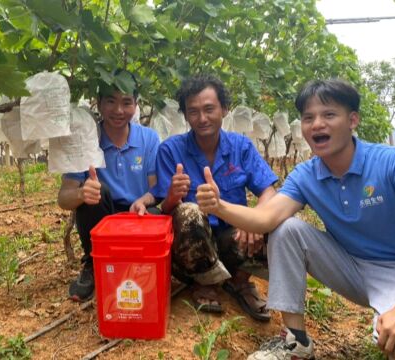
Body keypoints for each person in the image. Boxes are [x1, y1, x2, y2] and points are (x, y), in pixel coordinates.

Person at [196, 79, 395, 359]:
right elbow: (266, 219)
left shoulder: (393, 162)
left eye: (329, 115)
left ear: (352, 120)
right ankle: (296, 342)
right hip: (350, 266)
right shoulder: (306, 175)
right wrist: (219, 206)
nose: (317, 124)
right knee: (287, 229)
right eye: (308, 118)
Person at [150, 74, 278, 321]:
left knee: (278, 219)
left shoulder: (241, 147)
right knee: (189, 212)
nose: (202, 118)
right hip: (190, 253)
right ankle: (204, 281)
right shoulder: (170, 150)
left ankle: (239, 280)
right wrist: (171, 197)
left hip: (233, 239)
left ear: (224, 109)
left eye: (209, 109)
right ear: (186, 116)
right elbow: (163, 212)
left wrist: (254, 219)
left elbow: (269, 192)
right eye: (193, 111)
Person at [57, 71, 160, 302]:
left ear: (136, 104)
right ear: (99, 103)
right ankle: (94, 262)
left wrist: (144, 201)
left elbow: (156, 190)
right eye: (111, 101)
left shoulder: (149, 139)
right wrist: (82, 193)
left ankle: (140, 264)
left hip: (137, 215)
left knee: (154, 212)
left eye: (126, 103)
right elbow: (64, 198)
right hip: (104, 219)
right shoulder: (86, 140)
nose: (119, 111)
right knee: (94, 191)